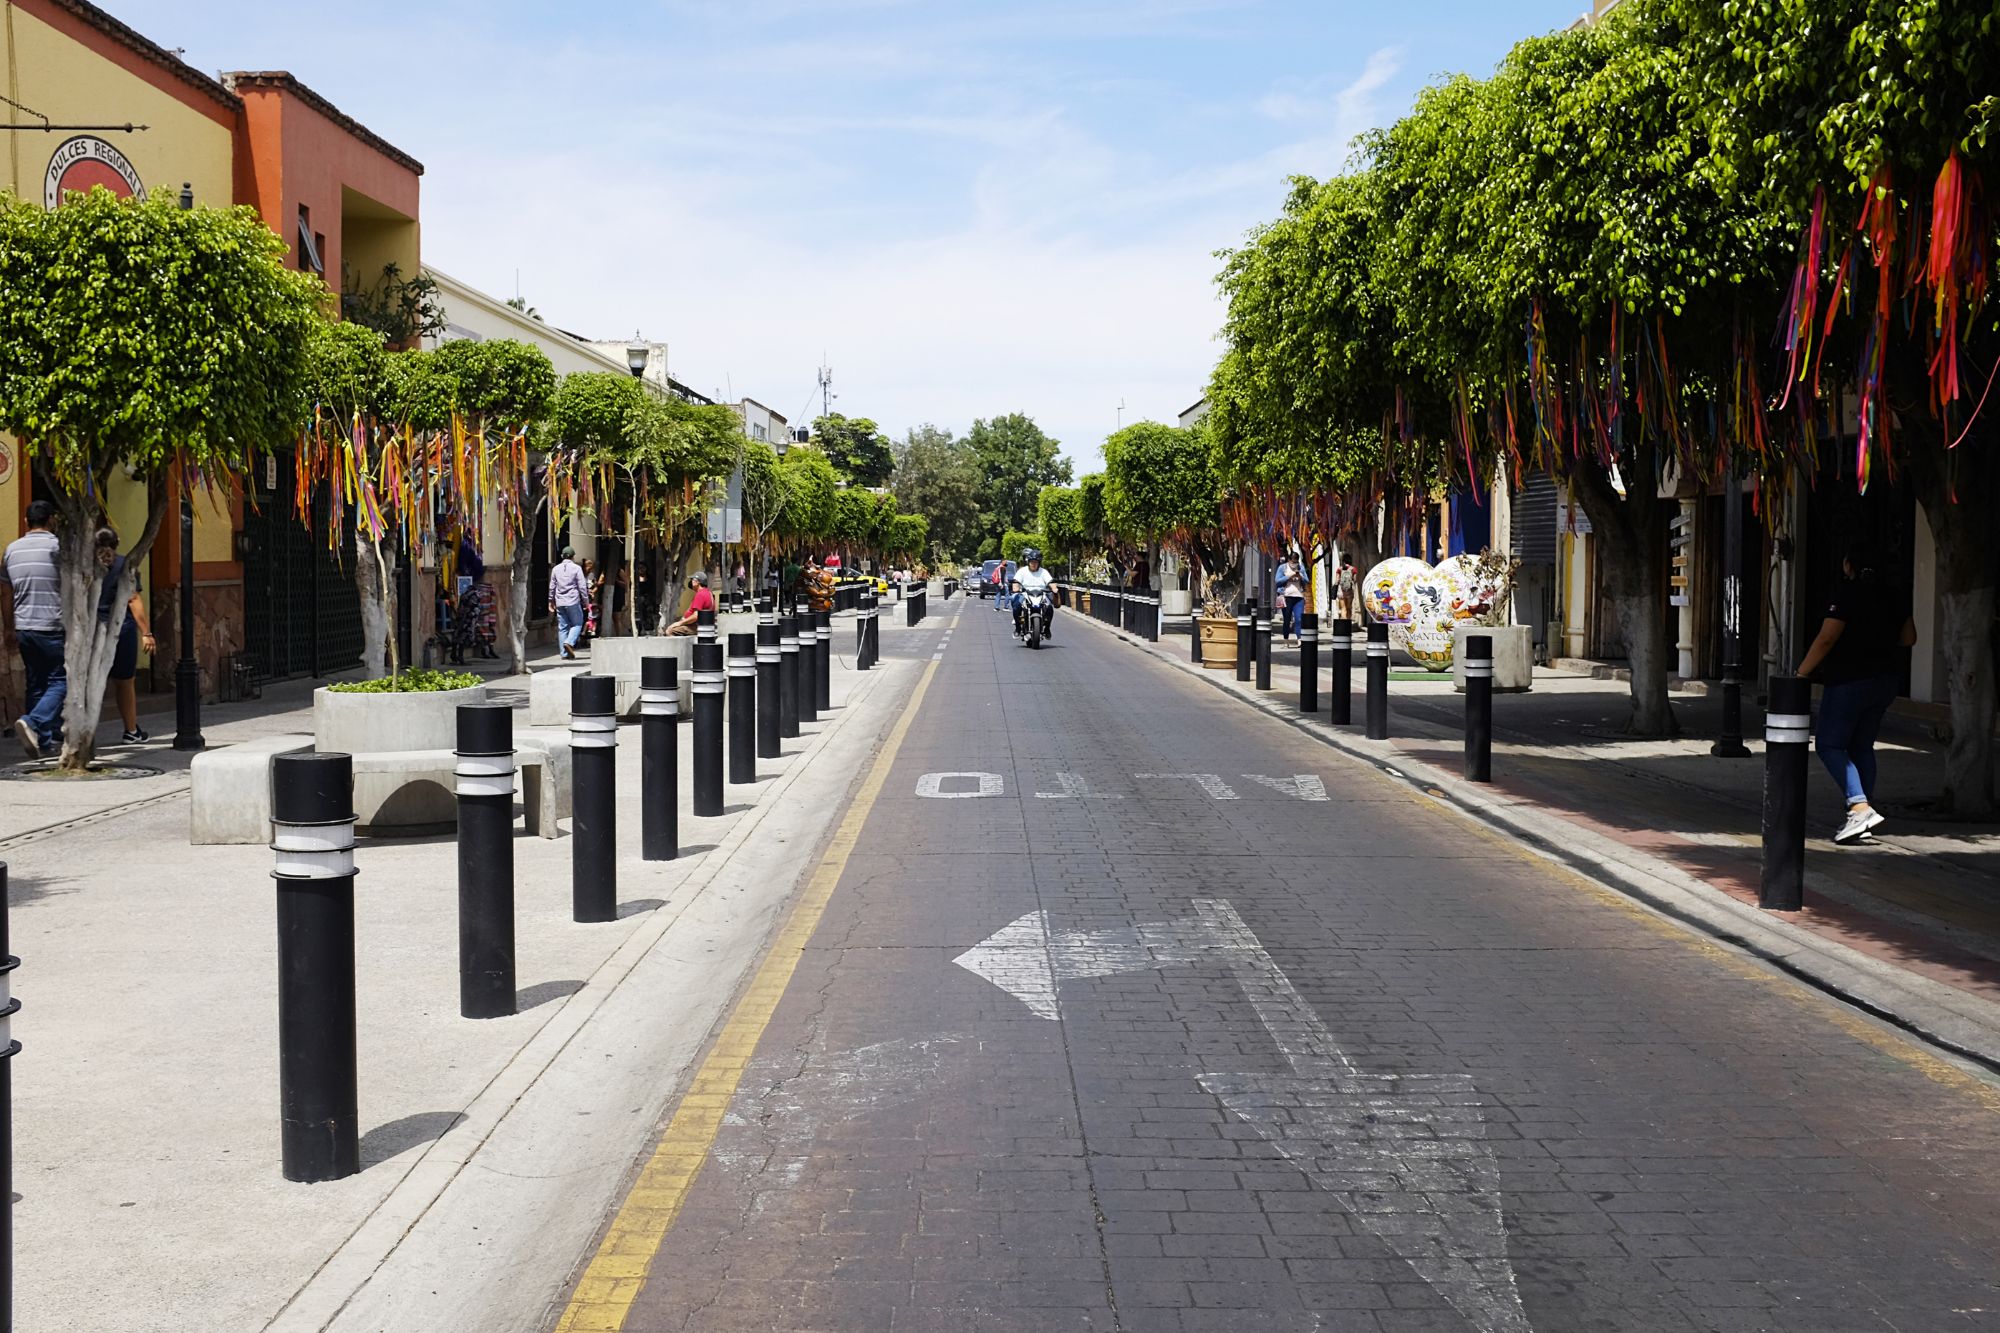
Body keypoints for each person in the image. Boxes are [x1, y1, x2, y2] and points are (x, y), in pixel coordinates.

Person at [1796, 543, 1917, 845]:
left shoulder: (1847, 594)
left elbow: (1826, 638)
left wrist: (1801, 674)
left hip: (1850, 679)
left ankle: (1859, 806)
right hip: (1885, 681)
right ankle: (1865, 808)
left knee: (1829, 745)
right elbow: (1909, 638)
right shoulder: (1896, 596)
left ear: (1849, 565)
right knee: (1862, 746)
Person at [4, 500, 66, 759]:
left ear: (26, 521)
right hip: (52, 625)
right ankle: (34, 722)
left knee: (35, 682)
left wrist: (9, 628)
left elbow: (5, 593)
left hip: (25, 626)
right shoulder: (59, 548)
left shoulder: (11, 550)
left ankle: (41, 741)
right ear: (51, 520)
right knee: (62, 680)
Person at [94, 528, 155, 744]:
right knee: (125, 682)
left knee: (90, 683)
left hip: (92, 630)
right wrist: (146, 632)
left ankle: (86, 733)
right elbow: (133, 599)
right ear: (117, 543)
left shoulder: (86, 566)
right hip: (122, 629)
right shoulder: (124, 565)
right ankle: (131, 729)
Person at [548, 546, 589, 660]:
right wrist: (586, 601)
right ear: (573, 557)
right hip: (573, 601)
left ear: (562, 556)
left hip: (560, 601)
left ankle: (564, 653)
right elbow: (582, 587)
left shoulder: (556, 569)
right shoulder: (576, 568)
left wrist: (551, 601)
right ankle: (569, 643)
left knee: (563, 627)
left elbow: (552, 587)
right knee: (577, 624)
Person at [1011, 548, 1055, 640]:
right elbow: (1016, 581)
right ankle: (1018, 628)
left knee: (1050, 607)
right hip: (1025, 594)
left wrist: (1054, 588)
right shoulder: (1022, 571)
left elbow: (1051, 582)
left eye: (1036, 562)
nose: (1033, 564)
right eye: (1032, 562)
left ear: (1039, 563)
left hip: (1041, 594)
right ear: (1028, 562)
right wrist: (1016, 588)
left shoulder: (1044, 572)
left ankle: (1047, 629)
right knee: (1016, 605)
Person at [666, 571, 716, 636]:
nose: (691, 582)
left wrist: (680, 623)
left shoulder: (700, 594)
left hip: (696, 627)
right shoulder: (708, 592)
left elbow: (696, 616)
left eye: (692, 580)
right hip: (702, 625)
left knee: (670, 631)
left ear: (697, 582)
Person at [1275, 551, 1307, 642]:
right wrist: (1288, 576)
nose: (1294, 564)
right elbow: (1277, 581)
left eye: (1296, 562)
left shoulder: (1300, 568)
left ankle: (1299, 639)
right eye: (1293, 562)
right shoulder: (1283, 568)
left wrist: (1301, 577)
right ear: (1289, 560)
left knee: (1299, 619)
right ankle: (1286, 640)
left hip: (1298, 597)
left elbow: (1306, 580)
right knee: (1287, 619)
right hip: (1286, 597)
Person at [1336, 555, 1359, 622]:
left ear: (1343, 560)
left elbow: (1337, 580)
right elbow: (1355, 580)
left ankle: (1343, 624)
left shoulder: (1339, 569)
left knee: (1343, 608)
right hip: (1349, 591)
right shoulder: (1353, 569)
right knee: (1349, 608)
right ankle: (1348, 623)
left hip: (1341, 591)